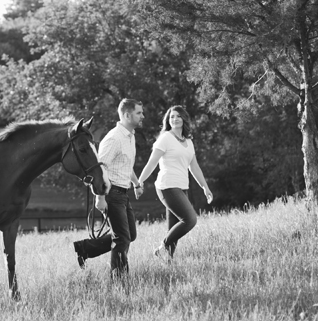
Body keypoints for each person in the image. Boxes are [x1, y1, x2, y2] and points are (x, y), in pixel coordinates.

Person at [73, 99, 145, 278]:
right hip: (111, 193)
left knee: (130, 235)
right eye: (139, 113)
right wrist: (100, 197)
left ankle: (85, 248)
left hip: (123, 192)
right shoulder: (114, 138)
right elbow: (100, 168)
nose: (142, 116)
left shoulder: (130, 135)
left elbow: (125, 165)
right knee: (122, 239)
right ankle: (119, 281)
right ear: (127, 115)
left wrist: (136, 183)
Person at [137, 105, 213, 259]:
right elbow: (152, 162)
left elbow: (194, 167)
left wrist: (205, 187)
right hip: (167, 186)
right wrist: (139, 182)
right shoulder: (165, 138)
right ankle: (162, 248)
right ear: (168, 120)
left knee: (173, 227)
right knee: (190, 219)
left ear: (184, 119)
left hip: (182, 186)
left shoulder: (188, 142)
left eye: (178, 116)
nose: (175, 119)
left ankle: (167, 260)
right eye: (172, 116)